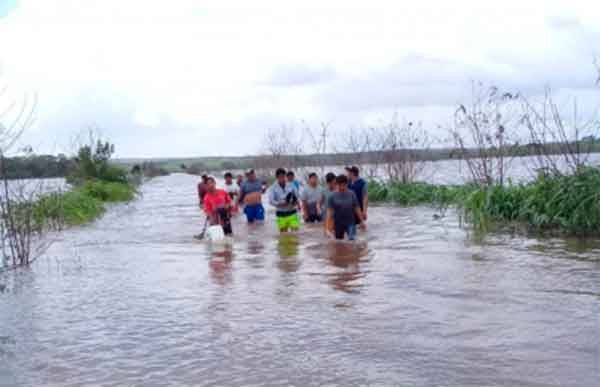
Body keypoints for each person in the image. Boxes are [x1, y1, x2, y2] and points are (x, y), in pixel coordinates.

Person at [326, 174, 365, 241]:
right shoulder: (332, 196)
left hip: (350, 221)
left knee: (352, 240)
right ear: (336, 184)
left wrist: (362, 221)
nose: (342, 187)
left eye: (344, 185)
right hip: (338, 223)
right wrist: (327, 228)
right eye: (340, 185)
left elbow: (357, 208)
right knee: (338, 242)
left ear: (347, 184)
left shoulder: (352, 194)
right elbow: (330, 213)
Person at [269, 168, 301, 233]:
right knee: (283, 234)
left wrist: (295, 202)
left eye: (283, 176)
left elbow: (297, 196)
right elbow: (271, 201)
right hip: (281, 214)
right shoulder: (273, 187)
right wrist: (279, 203)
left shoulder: (291, 185)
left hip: (292, 212)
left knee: (295, 232)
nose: (282, 179)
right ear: (277, 177)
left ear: (285, 176)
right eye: (280, 177)